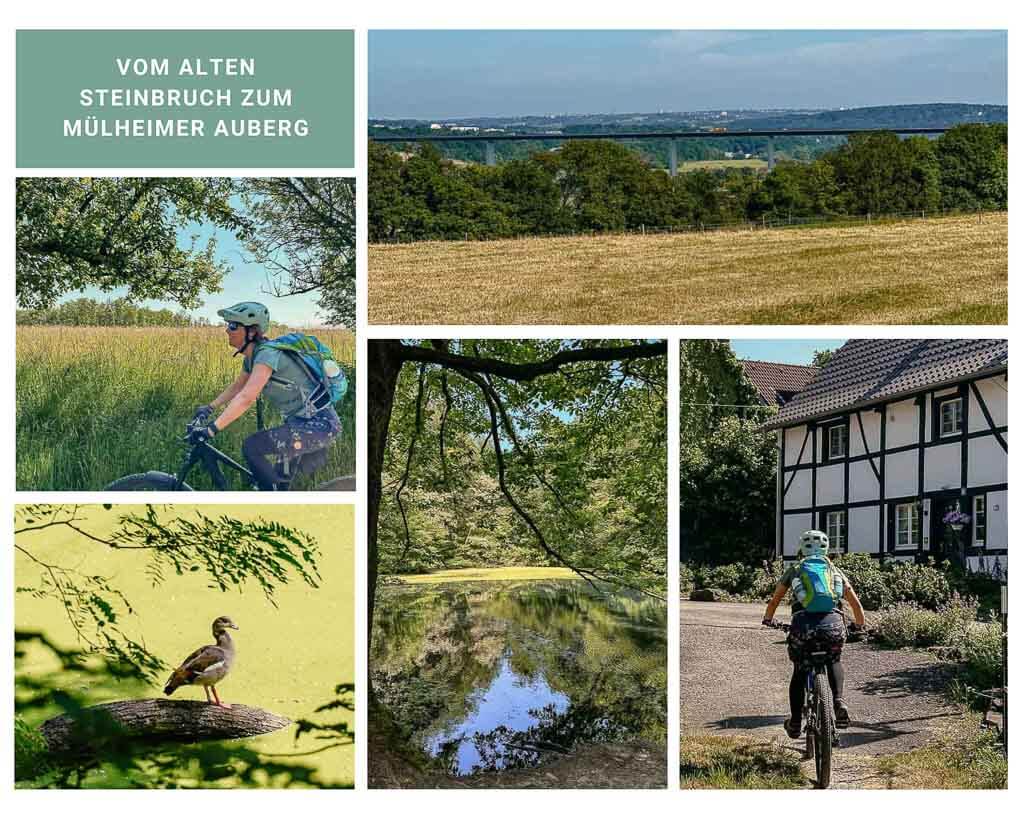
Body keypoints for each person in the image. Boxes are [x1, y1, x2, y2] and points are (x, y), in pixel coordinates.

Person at [191, 301, 342, 490]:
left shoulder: (267, 355)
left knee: (252, 448)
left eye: (233, 326)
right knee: (278, 485)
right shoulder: (252, 358)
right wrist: (209, 407)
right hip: (299, 425)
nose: (227, 330)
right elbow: (238, 387)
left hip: (320, 425)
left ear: (252, 332)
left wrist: (212, 429)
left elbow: (246, 397)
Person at [762, 530, 866, 738]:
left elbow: (774, 601)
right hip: (833, 625)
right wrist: (859, 626)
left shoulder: (795, 570)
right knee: (834, 660)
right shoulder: (835, 571)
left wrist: (768, 619)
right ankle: (838, 701)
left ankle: (794, 722)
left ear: (801, 549)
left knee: (800, 671)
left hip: (803, 627)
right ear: (827, 549)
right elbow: (856, 605)